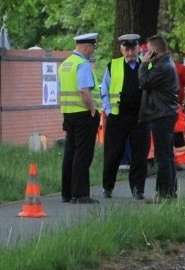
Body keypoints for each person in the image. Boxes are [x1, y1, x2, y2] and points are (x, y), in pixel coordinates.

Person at [100, 33, 147, 200]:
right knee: (113, 153)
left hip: (140, 117)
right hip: (118, 117)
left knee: (139, 155)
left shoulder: (146, 65)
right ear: (121, 49)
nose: (130, 53)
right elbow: (104, 91)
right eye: (126, 49)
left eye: (133, 49)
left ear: (138, 48)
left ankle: (137, 190)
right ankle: (107, 187)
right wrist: (108, 111)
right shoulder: (113, 65)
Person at [58, 33, 101, 204]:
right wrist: (92, 109)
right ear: (87, 46)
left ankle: (66, 193)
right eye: (92, 48)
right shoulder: (82, 65)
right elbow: (84, 91)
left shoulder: (65, 64)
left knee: (70, 152)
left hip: (68, 113)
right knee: (83, 153)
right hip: (83, 114)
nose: (92, 52)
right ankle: (80, 193)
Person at [139, 35, 179, 201]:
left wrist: (143, 64)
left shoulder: (162, 66)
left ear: (154, 51)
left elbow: (144, 82)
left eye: (148, 50)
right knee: (167, 155)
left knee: (162, 156)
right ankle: (170, 191)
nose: (146, 53)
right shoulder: (165, 63)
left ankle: (163, 193)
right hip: (165, 112)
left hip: (161, 114)